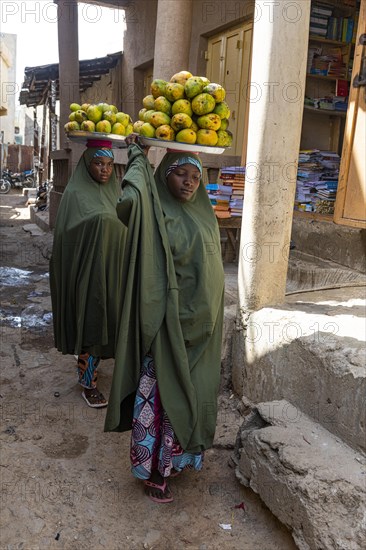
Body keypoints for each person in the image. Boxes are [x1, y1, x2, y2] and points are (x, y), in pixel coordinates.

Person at [105, 135, 225, 503]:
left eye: (195, 175)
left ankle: (179, 460)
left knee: (193, 394)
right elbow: (127, 203)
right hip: (167, 325)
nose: (189, 182)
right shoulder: (154, 215)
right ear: (163, 178)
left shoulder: (206, 217)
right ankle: (154, 470)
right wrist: (139, 157)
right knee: (161, 396)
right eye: (179, 174)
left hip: (202, 328)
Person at [50, 140, 127, 408]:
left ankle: (92, 368)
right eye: (98, 163)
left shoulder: (113, 193)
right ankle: (88, 383)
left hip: (111, 271)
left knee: (109, 320)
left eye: (109, 165)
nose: (105, 170)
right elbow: (68, 235)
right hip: (87, 274)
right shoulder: (75, 194)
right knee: (91, 321)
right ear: (86, 164)